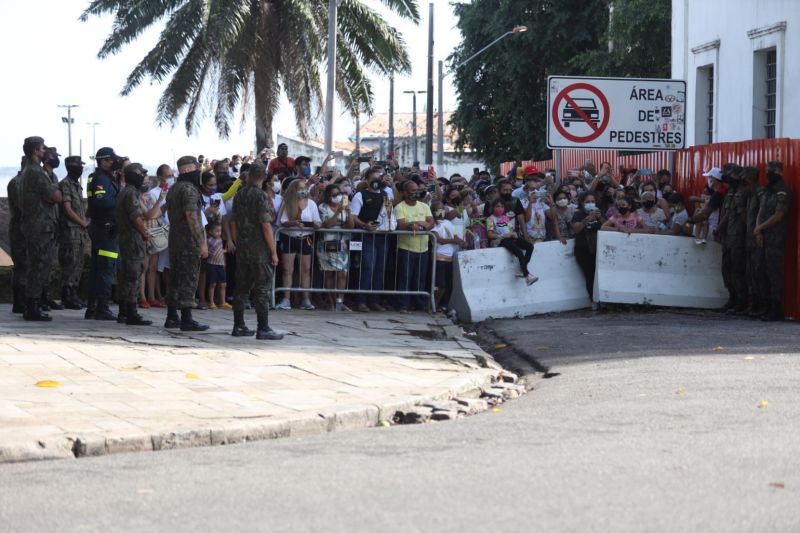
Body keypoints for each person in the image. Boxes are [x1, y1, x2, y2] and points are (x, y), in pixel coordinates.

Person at [229, 160, 283, 340]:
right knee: (262, 288)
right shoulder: (260, 196)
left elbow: (233, 222)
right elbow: (266, 225)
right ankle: (263, 327)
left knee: (241, 288)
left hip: (243, 249)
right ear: (264, 177)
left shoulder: (239, 195)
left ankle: (239, 326)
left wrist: (238, 242)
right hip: (259, 249)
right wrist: (273, 252)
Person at [19, 137, 62, 321]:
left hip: (37, 224)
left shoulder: (30, 171)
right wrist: (54, 194)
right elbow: (56, 196)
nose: (45, 151)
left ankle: (33, 304)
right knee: (39, 266)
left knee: (37, 265)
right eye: (43, 148)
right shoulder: (36, 172)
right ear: (36, 150)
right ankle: (33, 306)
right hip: (39, 226)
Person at [164, 155, 209, 331]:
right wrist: (202, 243)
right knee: (188, 278)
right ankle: (187, 319)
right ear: (188, 170)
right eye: (196, 168)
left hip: (175, 238)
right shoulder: (190, 190)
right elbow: (192, 217)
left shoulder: (174, 188)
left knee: (175, 278)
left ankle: (172, 316)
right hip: (187, 240)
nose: (199, 172)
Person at [85, 147, 123, 320]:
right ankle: (102, 307)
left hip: (102, 227)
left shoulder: (104, 177)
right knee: (106, 267)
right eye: (111, 160)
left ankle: (92, 307)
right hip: (105, 229)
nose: (114, 162)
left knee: (98, 268)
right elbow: (102, 201)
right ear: (104, 161)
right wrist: (121, 202)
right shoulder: (101, 178)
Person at [351, 167, 395, 312]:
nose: (377, 181)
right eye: (374, 179)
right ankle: (361, 300)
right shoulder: (360, 195)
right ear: (367, 180)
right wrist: (365, 225)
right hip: (366, 236)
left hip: (382, 236)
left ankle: (374, 300)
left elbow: (390, 214)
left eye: (379, 178)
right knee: (368, 267)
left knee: (379, 269)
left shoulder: (386, 195)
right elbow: (354, 216)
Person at [115, 164, 152, 326]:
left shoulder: (127, 192)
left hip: (127, 238)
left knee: (127, 275)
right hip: (132, 239)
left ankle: (124, 312)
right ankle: (131, 313)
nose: (143, 176)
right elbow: (136, 217)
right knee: (133, 275)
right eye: (141, 173)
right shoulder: (130, 193)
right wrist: (144, 232)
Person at [754, 161, 791, 321]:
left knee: (773, 273)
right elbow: (760, 210)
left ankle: (776, 309)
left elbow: (778, 215)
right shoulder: (768, 190)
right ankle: (765, 306)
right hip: (763, 237)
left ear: (780, 172)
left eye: (772, 171)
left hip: (774, 239)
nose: (768, 173)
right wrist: (758, 230)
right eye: (767, 170)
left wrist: (760, 227)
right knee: (760, 271)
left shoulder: (783, 191)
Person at [276, 178, 321, 310]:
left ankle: (306, 299)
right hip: (290, 237)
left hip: (305, 238)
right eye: (300, 188)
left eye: (304, 188)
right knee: (287, 269)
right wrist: (294, 222)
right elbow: (282, 221)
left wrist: (316, 224)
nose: (303, 191)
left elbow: (317, 221)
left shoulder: (311, 203)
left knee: (305, 270)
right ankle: (286, 299)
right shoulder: (288, 203)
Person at [58, 156, 90, 310]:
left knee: (78, 263)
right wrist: (82, 222)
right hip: (70, 230)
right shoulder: (65, 184)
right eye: (78, 165)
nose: (81, 168)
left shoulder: (77, 185)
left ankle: (73, 293)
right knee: (69, 263)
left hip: (79, 231)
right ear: (69, 166)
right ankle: (66, 295)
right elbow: (67, 209)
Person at [317, 183, 354, 311]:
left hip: (342, 244)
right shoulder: (323, 207)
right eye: (334, 195)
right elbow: (327, 224)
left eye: (339, 194)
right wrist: (337, 212)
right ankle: (331, 302)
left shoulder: (345, 207)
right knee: (329, 274)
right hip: (327, 244)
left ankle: (340, 301)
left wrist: (348, 213)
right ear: (328, 196)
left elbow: (351, 226)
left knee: (343, 274)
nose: (337, 197)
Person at [717, 164, 749, 313]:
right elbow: (727, 214)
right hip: (728, 236)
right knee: (727, 269)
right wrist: (720, 229)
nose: (727, 177)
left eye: (730, 174)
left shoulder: (743, 192)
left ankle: (742, 301)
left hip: (738, 237)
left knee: (737, 269)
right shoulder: (731, 191)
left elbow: (743, 216)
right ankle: (733, 298)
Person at [487, 198, 537, 286]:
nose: (500, 208)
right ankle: (527, 275)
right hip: (501, 240)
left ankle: (521, 270)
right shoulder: (490, 219)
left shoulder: (505, 218)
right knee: (519, 252)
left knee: (530, 246)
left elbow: (510, 229)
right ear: (493, 207)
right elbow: (490, 235)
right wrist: (502, 236)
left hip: (510, 238)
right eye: (497, 206)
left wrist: (513, 233)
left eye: (502, 206)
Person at [430, 201, 465, 311]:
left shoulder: (448, 223)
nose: (441, 212)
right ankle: (433, 304)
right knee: (440, 284)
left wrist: (461, 242)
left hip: (450, 257)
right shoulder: (434, 224)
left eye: (442, 209)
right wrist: (453, 241)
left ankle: (442, 305)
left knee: (448, 284)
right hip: (439, 256)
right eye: (438, 210)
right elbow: (438, 239)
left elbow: (455, 236)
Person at [571, 192, 604, 296]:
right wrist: (586, 220)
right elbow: (575, 230)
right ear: (582, 203)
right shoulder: (578, 214)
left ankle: (602, 299)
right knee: (590, 274)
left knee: (599, 274)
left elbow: (606, 227)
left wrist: (600, 218)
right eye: (588, 202)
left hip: (598, 248)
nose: (591, 203)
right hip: (583, 249)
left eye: (593, 201)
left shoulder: (599, 213)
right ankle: (593, 300)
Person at [743, 167, 765, 317]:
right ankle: (754, 304)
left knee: (758, 272)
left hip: (758, 238)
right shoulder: (751, 194)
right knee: (750, 273)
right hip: (749, 238)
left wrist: (758, 231)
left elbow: (762, 214)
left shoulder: (760, 193)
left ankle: (761, 305)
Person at [7, 157, 27, 314]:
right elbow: (23, 207)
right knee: (21, 265)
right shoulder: (17, 183)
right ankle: (19, 301)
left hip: (27, 228)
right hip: (20, 230)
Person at [205, 222, 231, 310]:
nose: (219, 233)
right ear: (210, 232)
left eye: (220, 231)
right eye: (217, 231)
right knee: (212, 284)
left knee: (223, 284)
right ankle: (211, 302)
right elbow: (207, 251)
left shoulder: (220, 239)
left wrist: (224, 251)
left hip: (220, 265)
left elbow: (219, 250)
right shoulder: (208, 240)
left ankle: (222, 302)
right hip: (212, 264)